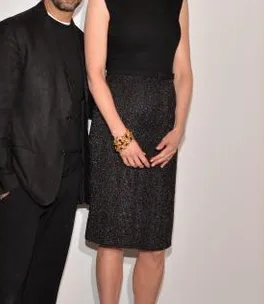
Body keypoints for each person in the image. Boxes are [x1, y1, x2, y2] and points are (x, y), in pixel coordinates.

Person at [0, 0, 89, 303]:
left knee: (44, 287)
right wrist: (5, 184)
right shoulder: (14, 31)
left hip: (68, 184)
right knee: (8, 287)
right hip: (23, 183)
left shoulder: (83, 42)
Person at [84, 0, 193, 303]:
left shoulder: (179, 2)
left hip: (161, 129)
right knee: (111, 238)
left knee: (154, 242)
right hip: (114, 124)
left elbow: (183, 71)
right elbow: (94, 74)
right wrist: (120, 136)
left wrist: (179, 128)